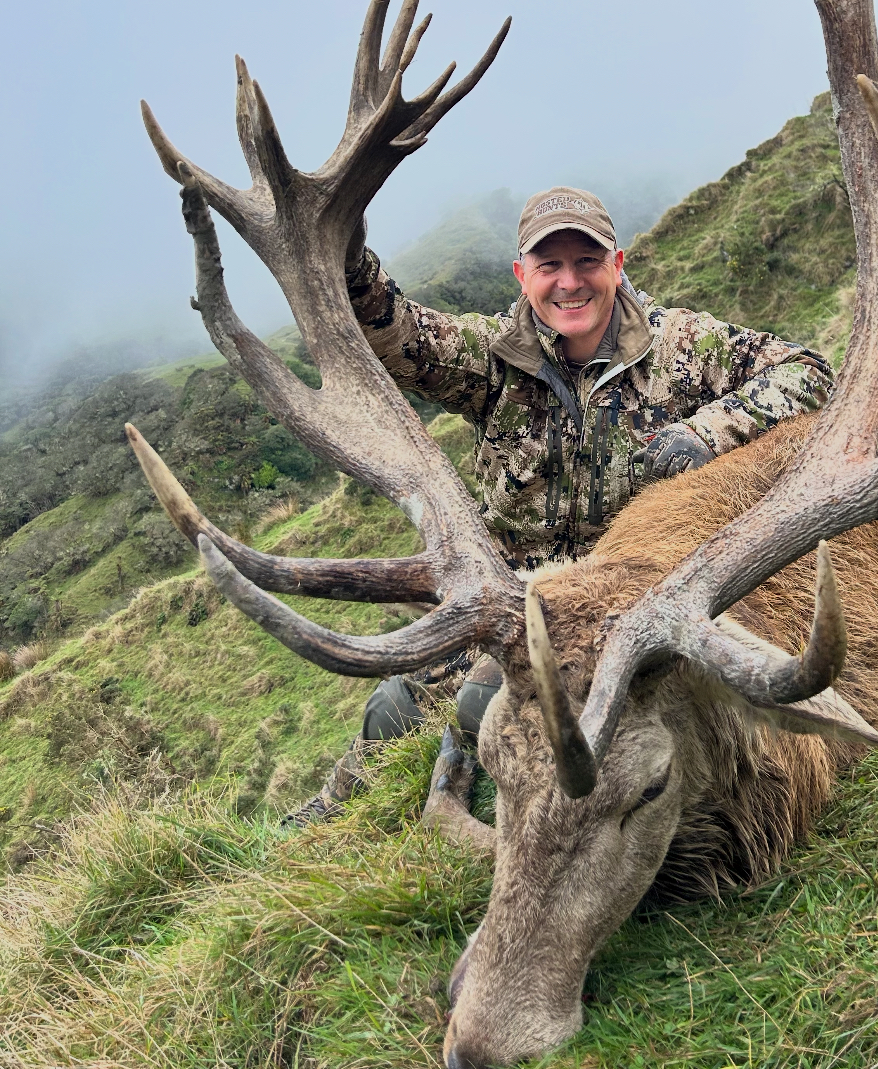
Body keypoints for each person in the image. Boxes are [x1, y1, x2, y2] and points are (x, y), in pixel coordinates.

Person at [283, 186, 834, 825]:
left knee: (485, 706)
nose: (570, 283)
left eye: (587, 261)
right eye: (550, 266)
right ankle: (332, 812)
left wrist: (708, 432)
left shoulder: (683, 348)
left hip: (619, 611)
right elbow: (395, 333)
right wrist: (349, 258)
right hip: (506, 602)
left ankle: (510, 816)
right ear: (523, 276)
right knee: (391, 709)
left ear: (616, 264)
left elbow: (809, 371)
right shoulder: (493, 356)